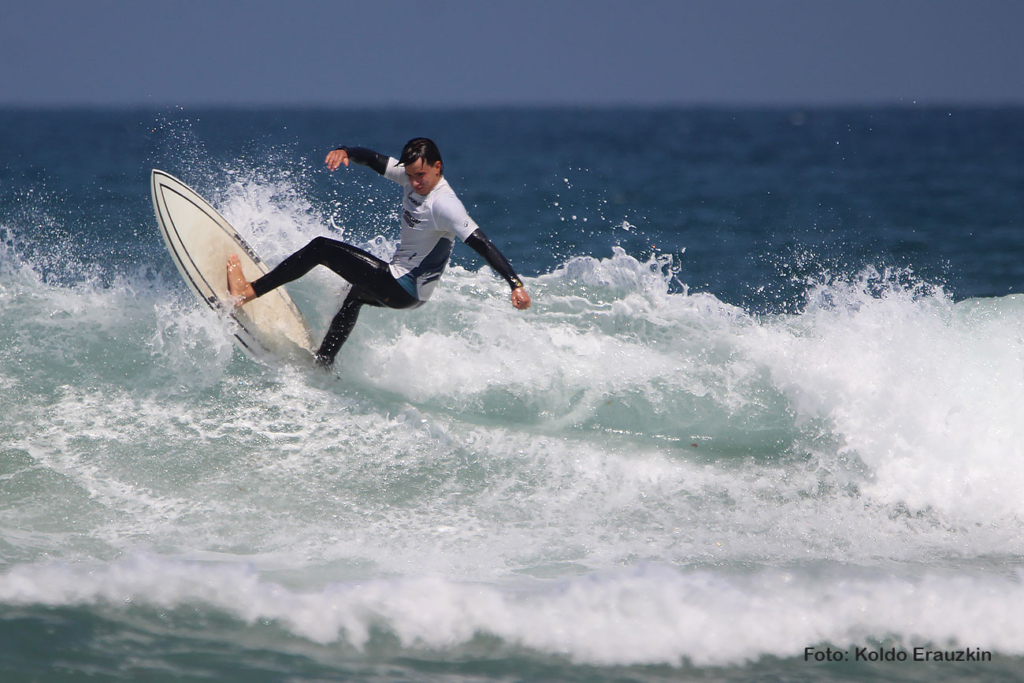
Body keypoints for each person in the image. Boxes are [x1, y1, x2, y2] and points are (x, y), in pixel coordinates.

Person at [227, 137, 531, 366]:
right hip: (411, 293)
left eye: (420, 175)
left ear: (437, 167)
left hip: (401, 287)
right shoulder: (411, 178)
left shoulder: (445, 205)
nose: (414, 182)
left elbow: (482, 243)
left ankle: (246, 292)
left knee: (321, 248)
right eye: (409, 175)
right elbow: (372, 159)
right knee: (356, 295)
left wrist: (515, 284)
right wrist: (346, 151)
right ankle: (324, 362)